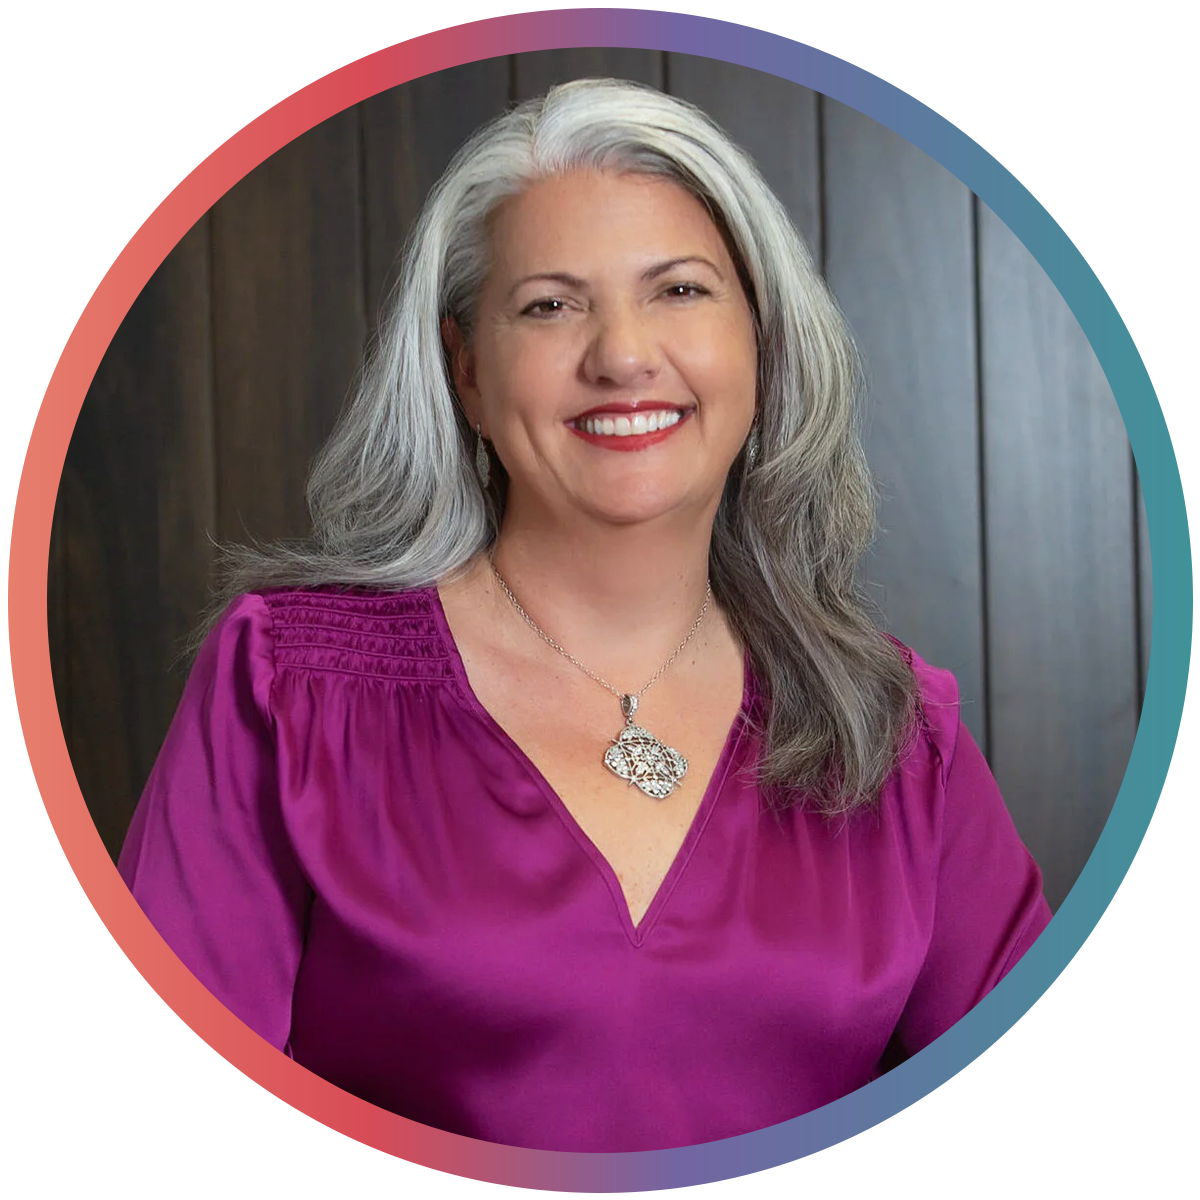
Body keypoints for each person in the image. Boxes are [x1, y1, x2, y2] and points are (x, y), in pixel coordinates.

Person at [118, 79, 1052, 1153]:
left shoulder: (895, 733)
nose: (621, 354)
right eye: (550, 305)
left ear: (766, 342)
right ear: (466, 370)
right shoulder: (287, 683)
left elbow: (1035, 1124)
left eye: (680, 292)